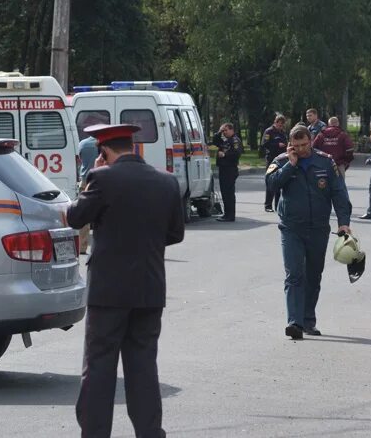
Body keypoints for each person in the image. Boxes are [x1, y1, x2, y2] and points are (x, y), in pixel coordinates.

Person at [67, 123, 185, 438]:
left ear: (103, 152)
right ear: (134, 147)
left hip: (108, 292)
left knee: (100, 370)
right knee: (143, 367)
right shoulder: (166, 181)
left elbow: (75, 217)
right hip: (149, 289)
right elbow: (175, 233)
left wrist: (88, 180)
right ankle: (150, 433)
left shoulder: (100, 178)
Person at [266, 125, 351, 340]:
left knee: (313, 275)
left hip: (318, 228)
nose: (302, 149)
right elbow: (271, 184)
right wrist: (291, 165)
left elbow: (339, 193)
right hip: (291, 228)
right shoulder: (282, 160)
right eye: (297, 146)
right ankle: (294, 322)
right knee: (294, 274)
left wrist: (343, 223)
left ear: (311, 140)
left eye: (305, 145)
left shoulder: (325, 161)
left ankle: (308, 320)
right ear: (291, 145)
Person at [212, 122, 243, 222]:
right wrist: (219, 131)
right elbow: (215, 141)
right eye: (223, 131)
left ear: (231, 130)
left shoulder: (235, 140)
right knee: (224, 192)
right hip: (223, 168)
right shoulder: (225, 140)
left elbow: (237, 153)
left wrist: (225, 155)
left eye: (226, 130)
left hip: (230, 169)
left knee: (229, 193)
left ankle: (230, 215)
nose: (224, 132)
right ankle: (226, 214)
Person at [77, 134, 99, 254]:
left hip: (85, 181)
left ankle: (82, 247)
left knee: (84, 215)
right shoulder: (102, 144)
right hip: (100, 179)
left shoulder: (83, 143)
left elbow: (80, 159)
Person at [261, 115, 287, 212]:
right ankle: (268, 205)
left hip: (281, 159)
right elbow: (264, 144)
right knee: (270, 181)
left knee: (279, 181)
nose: (280, 126)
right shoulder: (269, 131)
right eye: (279, 124)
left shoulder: (283, 132)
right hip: (271, 159)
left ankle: (277, 205)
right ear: (275, 122)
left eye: (282, 125)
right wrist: (277, 144)